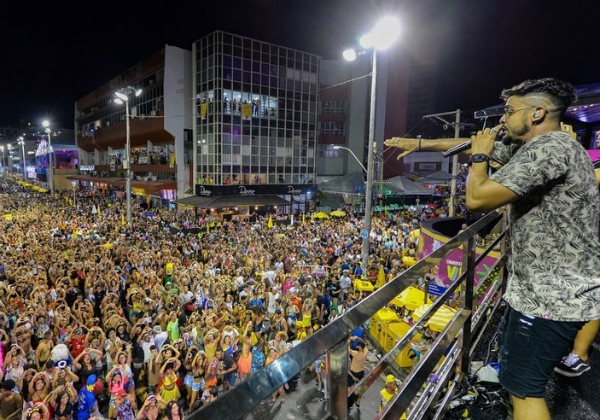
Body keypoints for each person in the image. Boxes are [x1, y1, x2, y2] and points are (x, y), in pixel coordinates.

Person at [465, 78, 600, 420]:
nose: (502, 120)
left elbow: (477, 198)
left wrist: (480, 155)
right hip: (543, 292)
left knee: (524, 391)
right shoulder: (546, 148)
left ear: (537, 113)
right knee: (518, 379)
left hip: (549, 298)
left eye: (510, 111)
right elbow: (465, 142)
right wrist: (417, 142)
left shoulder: (550, 149)